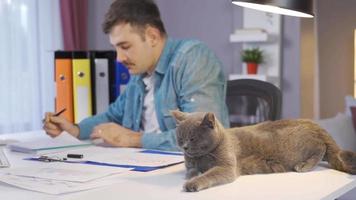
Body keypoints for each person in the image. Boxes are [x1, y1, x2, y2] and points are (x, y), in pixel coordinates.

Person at [43, 0, 229, 151]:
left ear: (152, 36)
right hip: (140, 169)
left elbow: (204, 134)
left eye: (125, 47)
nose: (119, 58)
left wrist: (133, 139)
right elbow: (113, 115)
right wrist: (74, 129)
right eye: (115, 48)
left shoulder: (192, 58)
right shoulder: (140, 75)